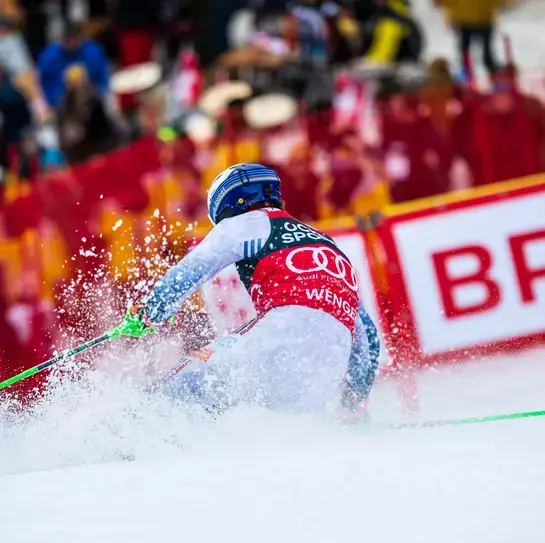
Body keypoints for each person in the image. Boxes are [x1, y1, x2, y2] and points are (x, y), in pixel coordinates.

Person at [129, 162, 379, 416]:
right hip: (320, 383)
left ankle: (136, 429)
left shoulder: (244, 224)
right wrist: (354, 405)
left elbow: (189, 272)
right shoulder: (328, 244)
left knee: (190, 375)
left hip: (275, 350)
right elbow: (368, 337)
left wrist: (149, 312)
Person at [37, 22, 110, 109]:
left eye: (74, 38)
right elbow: (42, 82)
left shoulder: (92, 52)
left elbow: (102, 81)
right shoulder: (50, 56)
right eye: (68, 39)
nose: (72, 42)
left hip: (91, 100)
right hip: (60, 102)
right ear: (62, 39)